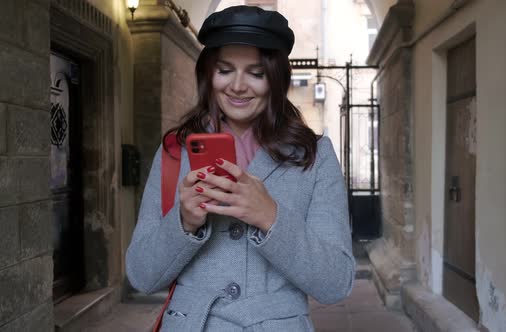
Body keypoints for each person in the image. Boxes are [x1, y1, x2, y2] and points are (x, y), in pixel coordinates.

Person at [126, 5, 355, 331]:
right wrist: (184, 222)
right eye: (225, 70)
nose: (237, 86)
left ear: (276, 79)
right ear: (208, 73)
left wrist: (270, 217)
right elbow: (141, 276)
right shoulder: (176, 152)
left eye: (256, 73)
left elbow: (336, 283)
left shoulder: (315, 157)